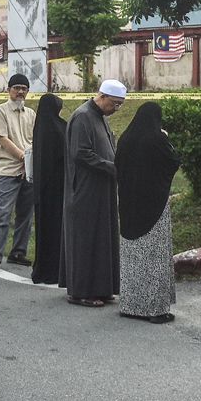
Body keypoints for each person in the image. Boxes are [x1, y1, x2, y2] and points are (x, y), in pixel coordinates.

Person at [115, 102, 182, 324]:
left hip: (128, 206)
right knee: (154, 259)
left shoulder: (125, 138)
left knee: (131, 258)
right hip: (153, 206)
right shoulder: (157, 139)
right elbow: (173, 162)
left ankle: (130, 305)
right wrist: (166, 138)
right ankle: (154, 309)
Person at [61, 79, 124, 308]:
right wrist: (111, 167)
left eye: (120, 106)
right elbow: (82, 153)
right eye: (115, 104)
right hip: (86, 188)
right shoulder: (83, 116)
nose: (116, 109)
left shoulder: (100, 117)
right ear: (103, 96)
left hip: (102, 187)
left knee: (102, 238)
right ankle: (81, 292)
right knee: (86, 239)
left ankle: (102, 287)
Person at [0, 73, 36, 274]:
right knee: (2, 214)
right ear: (8, 90)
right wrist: (24, 159)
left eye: (24, 88)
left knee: (26, 214)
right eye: (16, 88)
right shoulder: (0, 111)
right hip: (8, 170)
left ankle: (18, 252)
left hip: (29, 171)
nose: (20, 91)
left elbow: (34, 140)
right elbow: (3, 139)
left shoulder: (31, 113)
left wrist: (29, 164)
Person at [31, 94, 67, 285]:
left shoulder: (42, 126)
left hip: (44, 186)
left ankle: (46, 269)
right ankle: (53, 269)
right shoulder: (56, 126)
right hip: (57, 185)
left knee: (47, 227)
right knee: (54, 227)